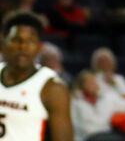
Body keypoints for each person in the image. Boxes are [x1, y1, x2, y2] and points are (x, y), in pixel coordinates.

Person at [0, 12, 72, 141]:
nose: (22, 47)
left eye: (30, 41)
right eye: (16, 40)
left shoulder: (53, 88)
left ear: (39, 47)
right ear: (3, 43)